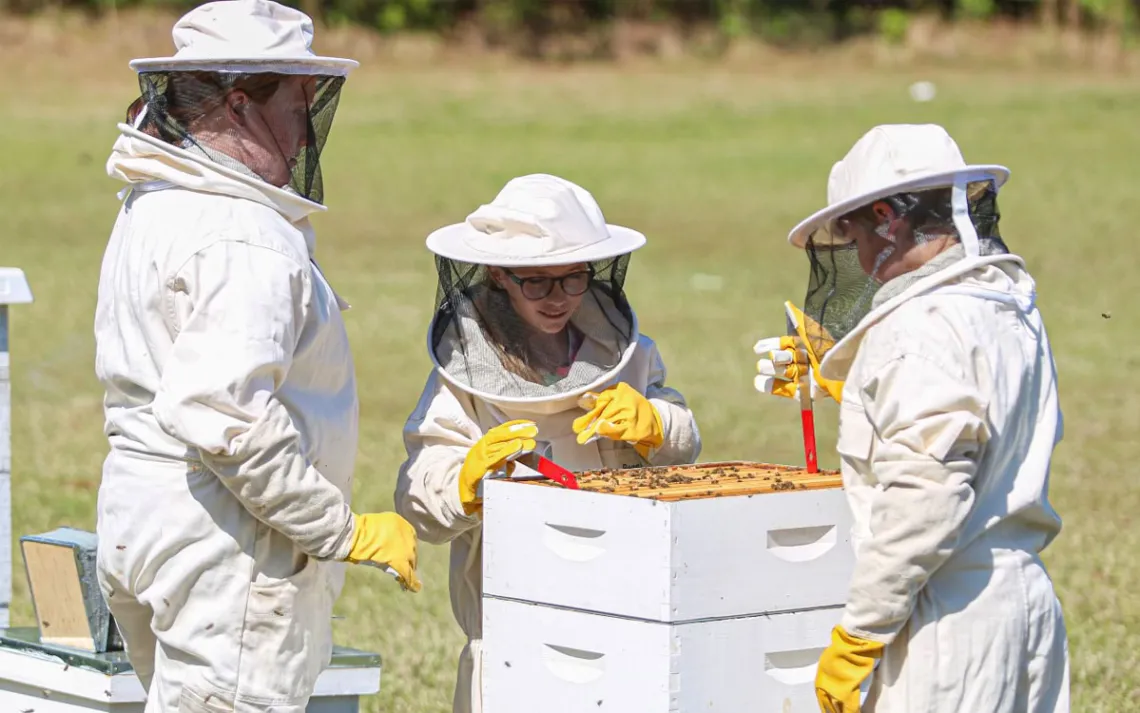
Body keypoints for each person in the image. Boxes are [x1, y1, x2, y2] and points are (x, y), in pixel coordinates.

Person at [93, 2, 421, 711]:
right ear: (240, 102)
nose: (307, 125)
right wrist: (339, 526)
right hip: (227, 547)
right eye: (297, 103)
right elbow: (226, 416)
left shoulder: (153, 202)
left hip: (142, 520)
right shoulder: (244, 236)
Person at [753, 124, 1069, 712]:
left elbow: (927, 494)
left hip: (946, 624)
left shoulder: (915, 328)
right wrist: (849, 382)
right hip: (1024, 604)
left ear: (886, 217)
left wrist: (860, 633)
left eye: (851, 233)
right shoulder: (1005, 300)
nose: (856, 254)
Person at [395, 173, 702, 713]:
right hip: (510, 615)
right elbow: (419, 498)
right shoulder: (461, 373)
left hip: (627, 598)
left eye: (573, 278)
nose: (557, 298)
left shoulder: (627, 354)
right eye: (536, 282)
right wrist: (464, 481)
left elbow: (684, 444)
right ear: (498, 277)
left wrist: (657, 422)